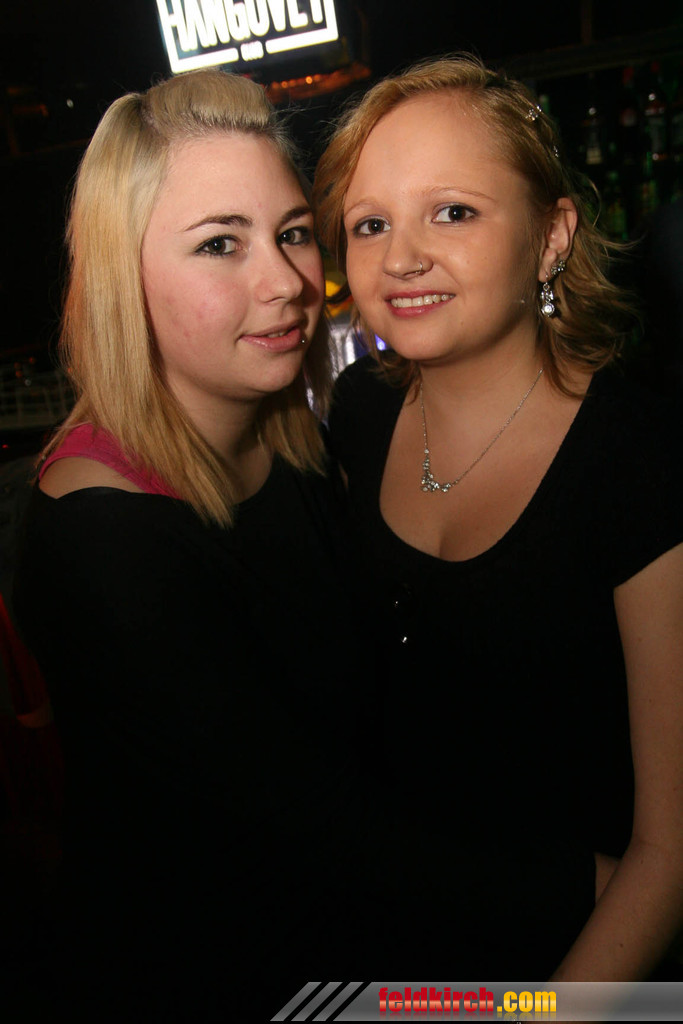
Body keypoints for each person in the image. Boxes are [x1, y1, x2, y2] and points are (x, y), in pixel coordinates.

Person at [11, 68, 376, 1019]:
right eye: (220, 243)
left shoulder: (290, 436)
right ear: (123, 279)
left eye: (291, 232)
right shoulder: (103, 533)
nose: (288, 281)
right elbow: (307, 827)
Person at [314, 54, 683, 981]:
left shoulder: (641, 463)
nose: (400, 257)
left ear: (550, 236)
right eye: (369, 224)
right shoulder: (358, 414)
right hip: (398, 950)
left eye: (452, 211)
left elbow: (668, 854)